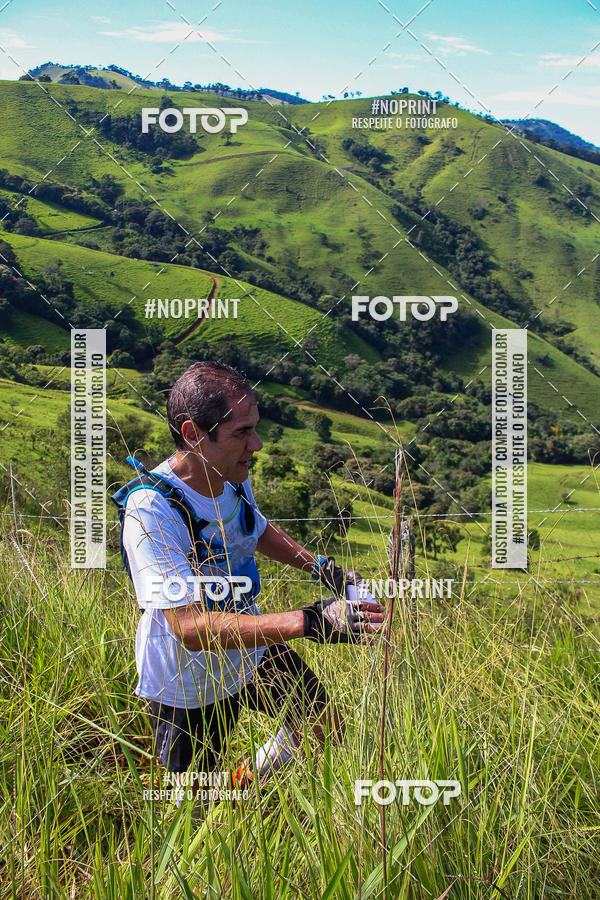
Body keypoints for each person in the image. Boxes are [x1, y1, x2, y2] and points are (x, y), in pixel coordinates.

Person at [112, 361, 385, 808]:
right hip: (187, 682)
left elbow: (253, 527)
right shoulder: (152, 510)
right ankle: (213, 812)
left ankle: (245, 785)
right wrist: (309, 622)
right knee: (189, 808)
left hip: (250, 647)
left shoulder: (232, 474)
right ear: (194, 433)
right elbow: (191, 628)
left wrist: (321, 567)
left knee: (321, 725)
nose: (255, 445)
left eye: (254, 429)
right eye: (242, 432)